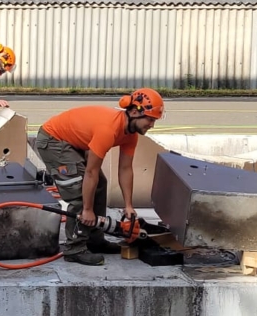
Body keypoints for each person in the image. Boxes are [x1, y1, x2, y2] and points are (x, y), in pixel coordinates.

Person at [33, 89, 164, 265]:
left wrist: (128, 205)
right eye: (150, 119)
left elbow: (125, 169)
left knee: (100, 185)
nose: (152, 125)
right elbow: (91, 172)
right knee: (80, 192)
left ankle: (95, 240)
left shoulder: (131, 135)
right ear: (134, 112)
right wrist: (87, 209)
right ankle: (75, 248)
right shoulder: (108, 130)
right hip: (53, 140)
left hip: (72, 142)